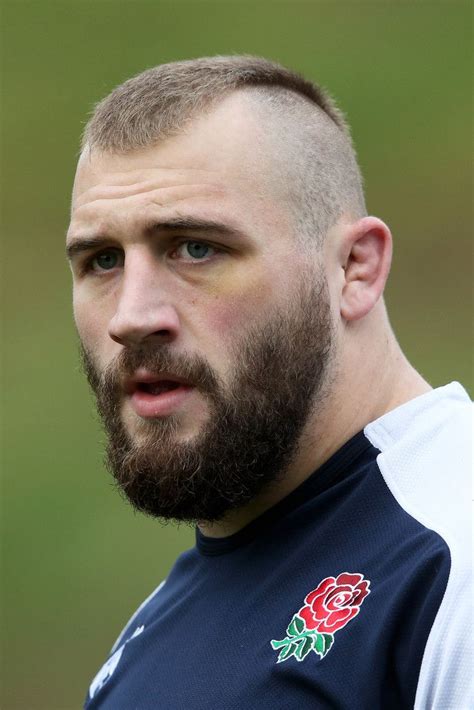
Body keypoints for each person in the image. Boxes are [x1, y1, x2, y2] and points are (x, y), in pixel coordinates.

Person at [67, 56, 472, 709]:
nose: (131, 316)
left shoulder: (453, 561)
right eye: (103, 260)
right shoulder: (148, 636)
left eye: (195, 248)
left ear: (354, 269)